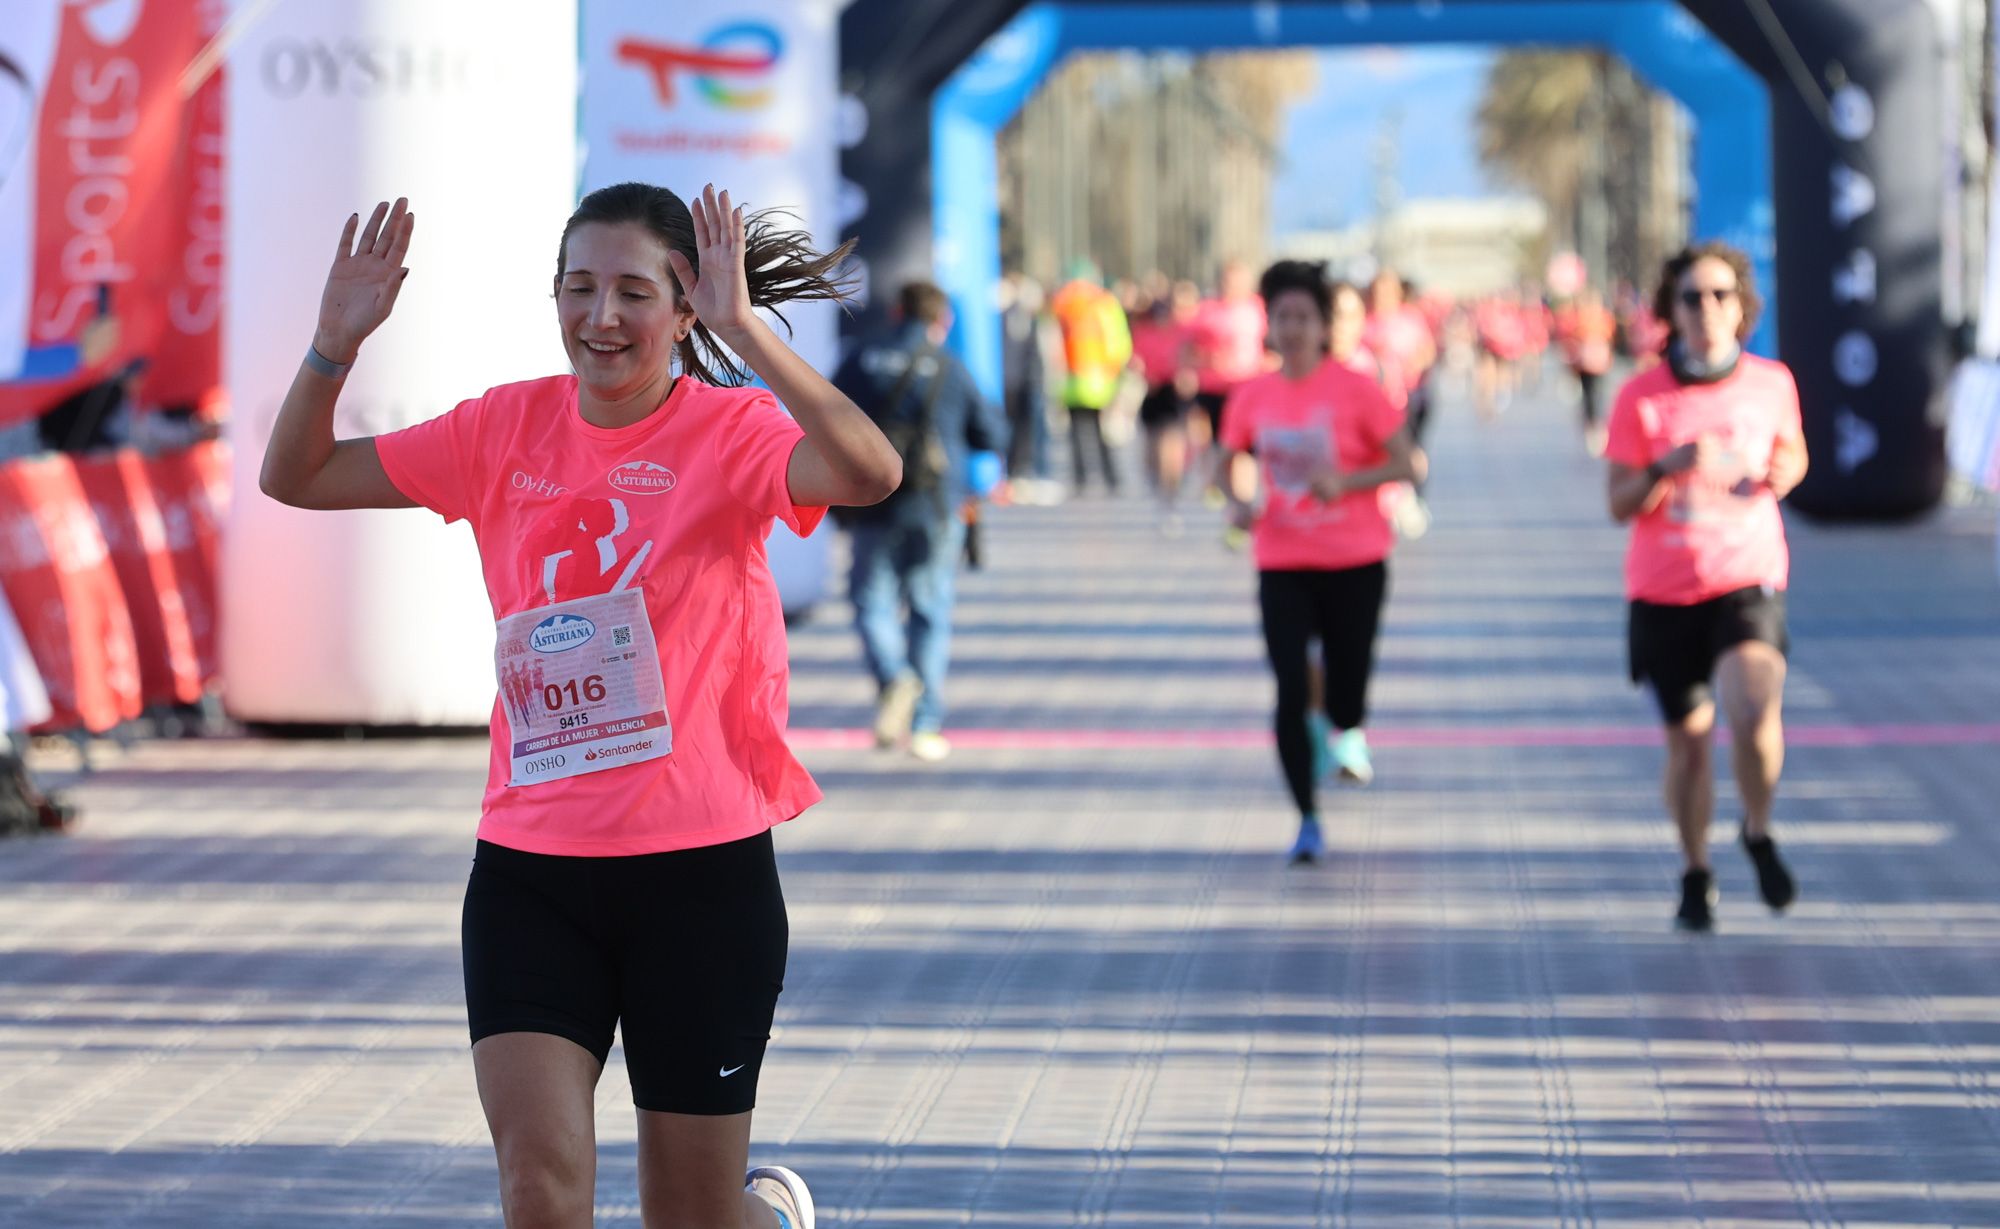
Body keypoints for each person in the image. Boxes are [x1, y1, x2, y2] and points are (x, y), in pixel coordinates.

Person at [259, 184, 903, 1229]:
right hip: (530, 874)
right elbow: (297, 475)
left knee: (687, 1213)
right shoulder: (501, 428)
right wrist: (334, 345)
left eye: (635, 291)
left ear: (686, 308)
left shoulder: (730, 430)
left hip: (699, 875)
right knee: (540, 1188)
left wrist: (747, 333)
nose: (601, 317)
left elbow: (871, 472)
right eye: (580, 287)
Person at [1605, 241, 1806, 933]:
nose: (1708, 310)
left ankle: (1757, 826)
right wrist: (1667, 465)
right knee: (1689, 743)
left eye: (1721, 295)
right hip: (1663, 587)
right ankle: (1695, 868)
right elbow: (1619, 500)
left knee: (1752, 711)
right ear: (1672, 310)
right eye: (1692, 297)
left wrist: (1785, 474)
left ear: (1742, 307)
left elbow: (1792, 451)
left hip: (1746, 575)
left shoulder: (1772, 382)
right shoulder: (1641, 395)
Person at [1217, 261, 1424, 864]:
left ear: (1323, 325)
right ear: (1270, 325)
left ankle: (1343, 723)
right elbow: (1227, 461)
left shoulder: (1357, 388)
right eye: (1282, 316)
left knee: (1346, 691)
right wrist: (1237, 504)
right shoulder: (1253, 393)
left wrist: (1349, 481)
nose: (1293, 327)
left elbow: (1408, 465)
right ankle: (1306, 815)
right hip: (1281, 557)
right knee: (1287, 685)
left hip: (1356, 558)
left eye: (1304, 316)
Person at [832, 281, 1006, 763]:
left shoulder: (860, 359)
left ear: (895, 311)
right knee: (929, 606)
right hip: (935, 504)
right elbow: (991, 433)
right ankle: (926, 722)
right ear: (941, 320)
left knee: (870, 599)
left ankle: (894, 677)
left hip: (872, 503)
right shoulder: (950, 366)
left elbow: (822, 416)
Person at [1048, 261, 1132, 495]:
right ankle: (1111, 478)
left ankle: (1082, 479)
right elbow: (1118, 341)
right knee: (1103, 433)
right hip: (1099, 379)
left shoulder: (1062, 303)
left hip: (1072, 378)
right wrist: (1118, 372)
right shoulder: (1104, 303)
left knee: (1078, 432)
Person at [1129, 280, 1201, 533]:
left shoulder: (1182, 331)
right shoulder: (1143, 331)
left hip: (1173, 394)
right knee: (1151, 454)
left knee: (1169, 451)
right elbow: (1134, 360)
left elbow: (1192, 357)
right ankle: (1159, 491)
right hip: (1152, 394)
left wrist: (1188, 373)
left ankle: (1171, 498)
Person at [1556, 287, 1619, 455]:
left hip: (1600, 363)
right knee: (1588, 395)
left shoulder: (1604, 317)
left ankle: (1597, 425)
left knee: (1599, 394)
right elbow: (1568, 338)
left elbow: (1610, 336)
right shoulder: (1577, 318)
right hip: (1583, 363)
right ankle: (1590, 425)